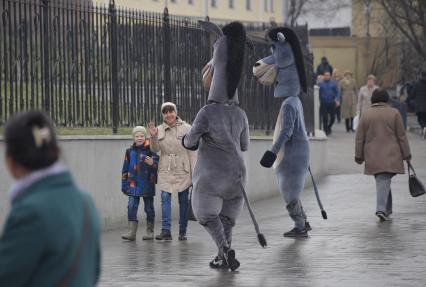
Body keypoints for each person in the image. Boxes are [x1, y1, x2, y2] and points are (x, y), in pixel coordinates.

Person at [0, 111, 101, 286]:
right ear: (56, 151)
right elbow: (94, 271)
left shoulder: (29, 212)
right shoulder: (86, 202)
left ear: (10, 161)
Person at [183, 21, 249, 271]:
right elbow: (244, 145)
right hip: (238, 175)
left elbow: (190, 141)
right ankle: (223, 257)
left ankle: (225, 249)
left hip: (212, 176)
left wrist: (186, 140)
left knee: (206, 215)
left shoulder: (207, 111)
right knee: (227, 219)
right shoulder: (240, 113)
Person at [255, 27, 311, 238]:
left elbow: (287, 131)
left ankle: (300, 225)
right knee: (292, 190)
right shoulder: (294, 101)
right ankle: (303, 221)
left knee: (289, 193)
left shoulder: (289, 103)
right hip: (298, 153)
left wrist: (272, 152)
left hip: (292, 154)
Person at [355, 89, 411, 222]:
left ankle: (386, 209)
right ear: (387, 100)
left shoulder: (366, 115)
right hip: (391, 155)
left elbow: (359, 138)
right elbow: (401, 135)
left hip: (372, 156)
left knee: (383, 180)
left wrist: (359, 156)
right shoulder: (394, 113)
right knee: (384, 180)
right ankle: (381, 209)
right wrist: (407, 153)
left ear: (373, 100)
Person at [148, 102, 196, 241]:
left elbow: (193, 151)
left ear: (175, 112)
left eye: (171, 111)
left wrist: (194, 173)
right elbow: (155, 150)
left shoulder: (187, 128)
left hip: (183, 168)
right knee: (164, 198)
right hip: (165, 168)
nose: (169, 114)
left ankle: (182, 231)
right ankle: (166, 231)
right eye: (165, 112)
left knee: (183, 201)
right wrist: (153, 137)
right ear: (162, 115)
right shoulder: (159, 129)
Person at [121, 126, 159, 241]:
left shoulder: (150, 150)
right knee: (131, 206)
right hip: (132, 185)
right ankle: (132, 232)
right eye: (137, 136)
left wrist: (152, 163)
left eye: (142, 136)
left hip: (147, 183)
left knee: (149, 208)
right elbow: (125, 169)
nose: (139, 138)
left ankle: (149, 231)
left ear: (145, 137)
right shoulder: (129, 151)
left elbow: (156, 164)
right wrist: (124, 185)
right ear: (133, 138)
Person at [318, 71, 340, 135]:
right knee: (325, 117)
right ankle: (325, 130)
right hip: (324, 102)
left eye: (328, 75)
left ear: (330, 76)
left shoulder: (334, 83)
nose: (327, 76)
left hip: (332, 102)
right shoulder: (320, 83)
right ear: (324, 76)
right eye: (325, 75)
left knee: (333, 117)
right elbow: (317, 92)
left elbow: (337, 92)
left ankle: (329, 127)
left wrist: (337, 100)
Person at [411, 71, 426, 137]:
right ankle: (424, 129)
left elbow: (412, 93)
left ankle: (424, 128)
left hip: (419, 106)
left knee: (420, 119)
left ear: (421, 75)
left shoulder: (417, 84)